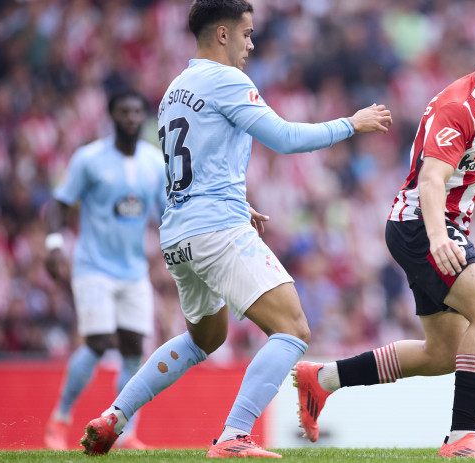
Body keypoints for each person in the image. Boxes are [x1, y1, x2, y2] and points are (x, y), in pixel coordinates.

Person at [79, 0, 392, 458]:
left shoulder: (173, 91)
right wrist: (352, 123)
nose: (251, 43)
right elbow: (283, 138)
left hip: (180, 232)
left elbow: (192, 164)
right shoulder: (226, 80)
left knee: (205, 339)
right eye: (246, 33)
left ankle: (114, 417)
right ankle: (234, 437)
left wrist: (238, 201)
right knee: (292, 329)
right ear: (222, 34)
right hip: (214, 228)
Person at [293, 16, 475, 459]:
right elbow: (432, 181)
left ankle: (324, 378)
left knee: (441, 355)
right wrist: (438, 238)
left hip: (433, 228)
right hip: (421, 226)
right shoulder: (457, 109)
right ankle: (461, 440)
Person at [44, 89, 167, 450]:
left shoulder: (153, 163)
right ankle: (60, 418)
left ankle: (124, 431)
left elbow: (167, 213)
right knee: (98, 343)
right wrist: (54, 246)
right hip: (93, 267)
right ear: (111, 117)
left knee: (133, 347)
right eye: (123, 112)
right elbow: (60, 202)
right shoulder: (90, 159)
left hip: (133, 270)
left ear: (144, 118)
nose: (131, 118)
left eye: (136, 112)